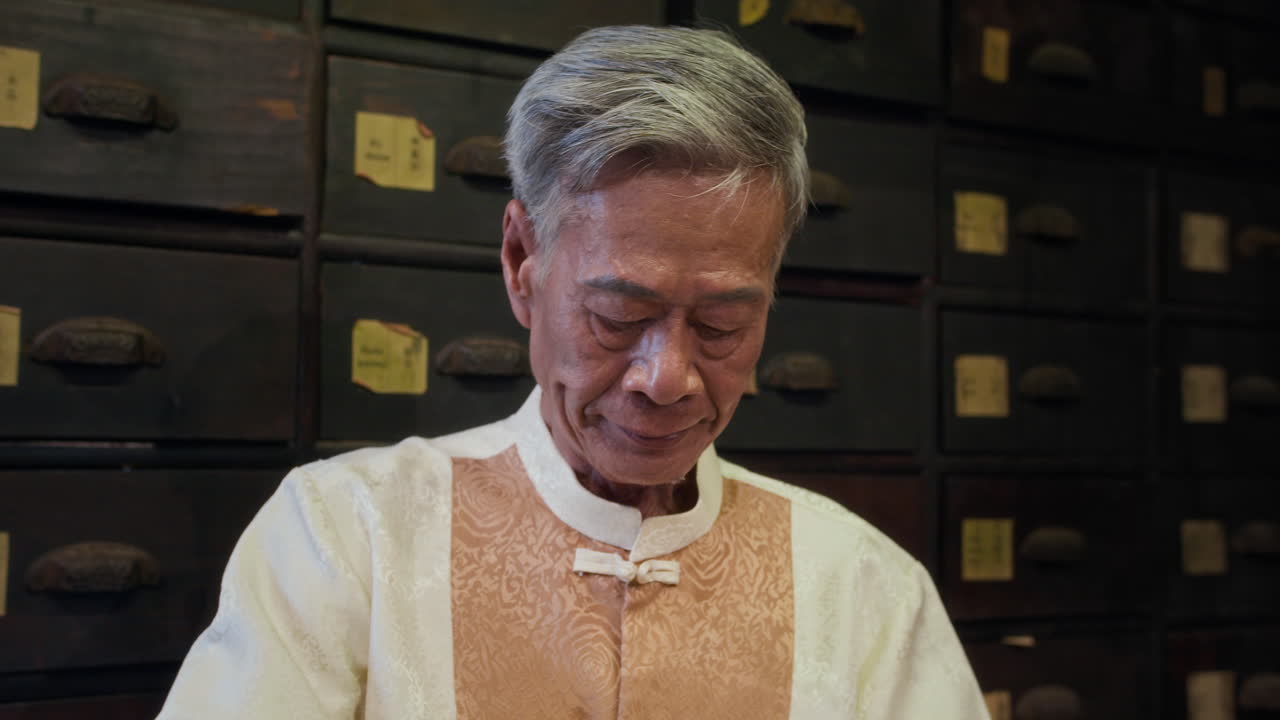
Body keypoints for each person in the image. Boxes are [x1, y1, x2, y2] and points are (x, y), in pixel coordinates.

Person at [157, 25, 988, 719]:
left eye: (722, 326)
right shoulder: (348, 536)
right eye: (617, 317)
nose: (667, 378)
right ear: (522, 262)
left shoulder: (863, 588)